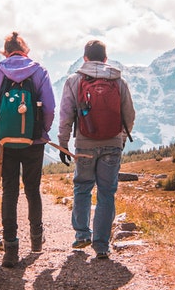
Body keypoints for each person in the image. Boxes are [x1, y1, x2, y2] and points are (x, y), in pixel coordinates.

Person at [0, 32, 56, 267]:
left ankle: (10, 249)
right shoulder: (39, 71)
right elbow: (49, 107)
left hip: (5, 144)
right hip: (34, 142)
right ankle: (37, 240)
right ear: (26, 50)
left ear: (6, 51)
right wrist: (41, 131)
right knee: (33, 189)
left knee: (10, 192)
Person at [57, 39, 135, 259]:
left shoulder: (74, 80)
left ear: (85, 58)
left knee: (82, 187)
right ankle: (101, 245)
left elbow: (66, 115)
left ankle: (82, 234)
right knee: (106, 193)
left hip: (84, 144)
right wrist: (119, 139)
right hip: (112, 143)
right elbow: (129, 115)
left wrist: (63, 143)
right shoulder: (119, 81)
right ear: (105, 58)